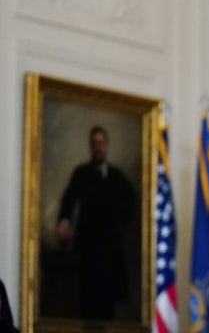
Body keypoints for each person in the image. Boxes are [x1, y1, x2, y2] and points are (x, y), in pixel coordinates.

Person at [55, 125, 136, 321]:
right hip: (88, 247)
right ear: (91, 146)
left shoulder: (116, 176)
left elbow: (131, 200)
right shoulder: (81, 173)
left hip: (110, 249)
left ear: (106, 146)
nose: (99, 147)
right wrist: (64, 222)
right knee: (88, 301)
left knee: (108, 304)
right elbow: (69, 199)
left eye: (102, 143)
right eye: (95, 143)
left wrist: (120, 223)